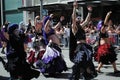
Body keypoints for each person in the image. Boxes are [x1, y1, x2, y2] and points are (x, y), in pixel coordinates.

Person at [69, 1, 97, 80]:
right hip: (80, 47)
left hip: (86, 46)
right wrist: (74, 8)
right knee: (80, 61)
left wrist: (90, 12)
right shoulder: (74, 27)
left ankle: (86, 74)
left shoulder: (81, 26)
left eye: (79, 17)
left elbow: (87, 20)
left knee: (87, 61)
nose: (78, 18)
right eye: (77, 17)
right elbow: (73, 18)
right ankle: (78, 74)